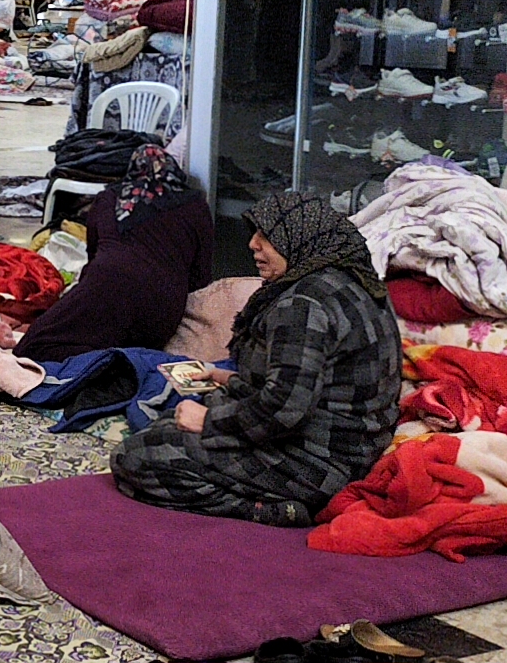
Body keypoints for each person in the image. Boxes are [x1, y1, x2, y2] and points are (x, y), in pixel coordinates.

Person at [111, 192, 402, 527]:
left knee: (134, 458)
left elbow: (283, 411)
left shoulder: (303, 305)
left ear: (297, 238)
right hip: (350, 449)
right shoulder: (353, 280)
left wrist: (208, 422)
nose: (253, 244)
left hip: (318, 464)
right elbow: (305, 385)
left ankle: (275, 510)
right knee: (167, 425)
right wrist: (224, 380)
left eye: (266, 236)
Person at [14, 146, 215, 362]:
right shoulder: (196, 205)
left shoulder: (109, 198)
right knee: (136, 349)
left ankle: (93, 368)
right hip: (164, 302)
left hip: (107, 284)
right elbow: (200, 275)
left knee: (34, 345)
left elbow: (93, 258)